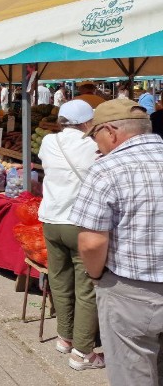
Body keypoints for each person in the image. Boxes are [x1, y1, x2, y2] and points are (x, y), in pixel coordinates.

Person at [69, 99, 163, 384]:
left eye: (96, 135)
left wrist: (96, 276)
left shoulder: (106, 169)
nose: (96, 145)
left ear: (111, 131)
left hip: (133, 293)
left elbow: (91, 242)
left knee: (133, 375)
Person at [37, 100, 102, 371]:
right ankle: (82, 352)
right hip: (80, 224)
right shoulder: (93, 146)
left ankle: (65, 337)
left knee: (60, 281)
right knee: (86, 288)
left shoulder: (48, 142)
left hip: (51, 220)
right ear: (88, 122)